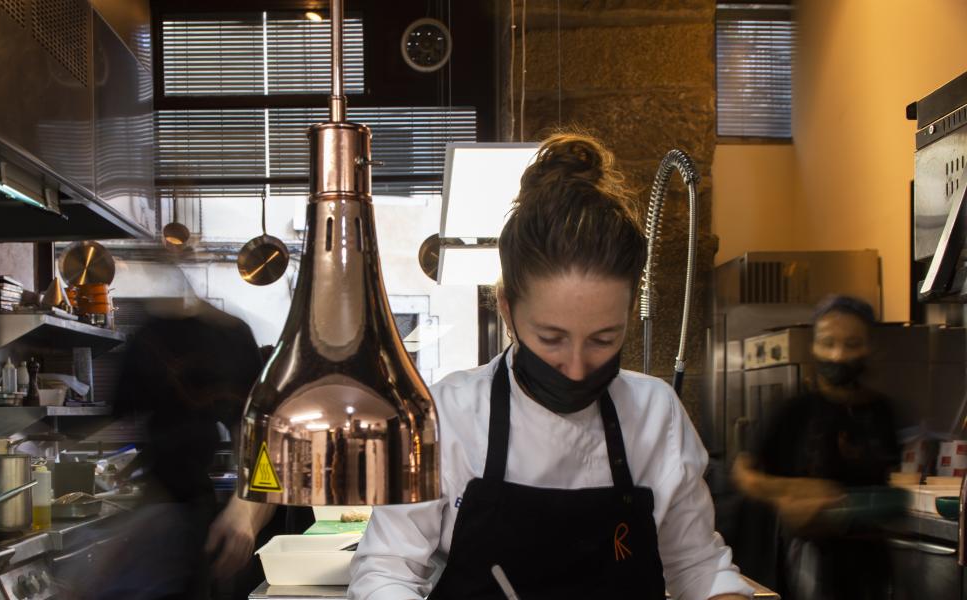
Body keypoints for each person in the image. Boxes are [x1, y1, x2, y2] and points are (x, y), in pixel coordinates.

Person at [348, 132, 751, 599]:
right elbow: (386, 571)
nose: (577, 369)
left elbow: (697, 565)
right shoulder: (446, 416)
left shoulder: (655, 414)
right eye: (551, 339)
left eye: (604, 339)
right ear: (506, 308)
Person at [71, 285, 277, 600]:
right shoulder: (146, 339)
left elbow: (262, 446)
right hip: (160, 513)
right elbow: (129, 428)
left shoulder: (231, 336)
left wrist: (244, 512)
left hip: (208, 517)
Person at [732, 295, 900, 600]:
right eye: (827, 343)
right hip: (805, 563)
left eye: (851, 344)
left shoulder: (881, 412)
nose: (838, 355)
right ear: (813, 346)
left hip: (867, 564)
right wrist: (794, 492)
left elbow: (887, 484)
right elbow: (744, 473)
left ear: (869, 347)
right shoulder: (793, 410)